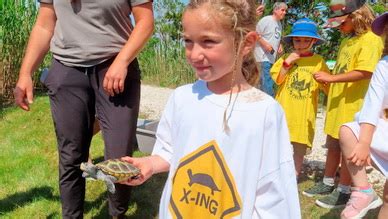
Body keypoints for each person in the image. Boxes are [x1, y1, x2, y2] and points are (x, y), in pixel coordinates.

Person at [120, 0, 301, 218]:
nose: (194, 54)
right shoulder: (182, 97)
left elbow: (276, 196)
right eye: (188, 41)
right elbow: (170, 150)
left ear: (246, 43)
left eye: (208, 42)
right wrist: (149, 163)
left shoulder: (265, 112)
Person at [13, 0, 154, 218]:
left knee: (119, 155)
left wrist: (122, 61)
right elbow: (44, 24)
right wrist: (25, 73)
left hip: (115, 67)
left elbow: (145, 21)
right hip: (67, 69)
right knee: (71, 155)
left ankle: (117, 214)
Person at [303, 0, 384, 209]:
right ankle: (328, 182)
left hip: (354, 106)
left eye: (341, 22)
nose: (339, 27)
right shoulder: (347, 41)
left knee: (349, 149)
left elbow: (366, 71)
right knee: (332, 146)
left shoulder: (371, 40)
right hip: (339, 105)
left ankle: (345, 190)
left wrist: (331, 79)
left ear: (355, 16)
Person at [339, 12, 388, 219]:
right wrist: (364, 142)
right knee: (348, 131)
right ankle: (364, 192)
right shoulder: (385, 65)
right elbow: (372, 104)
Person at [270, 18, 329, 178]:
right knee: (278, 145)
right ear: (292, 41)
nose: (301, 44)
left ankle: (293, 176)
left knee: (299, 148)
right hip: (284, 111)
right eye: (297, 40)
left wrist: (324, 79)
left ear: (314, 41)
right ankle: (275, 174)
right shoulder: (285, 58)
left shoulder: (318, 61)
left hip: (304, 114)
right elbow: (278, 80)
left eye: (306, 40)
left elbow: (328, 88)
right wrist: (287, 63)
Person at [254, 2, 287, 97]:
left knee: (262, 86)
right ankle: (271, 105)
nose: (284, 12)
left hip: (271, 59)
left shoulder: (279, 24)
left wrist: (280, 45)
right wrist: (265, 44)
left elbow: (275, 37)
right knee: (267, 86)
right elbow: (255, 33)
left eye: (285, 11)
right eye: (282, 10)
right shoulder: (266, 20)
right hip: (262, 58)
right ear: (275, 10)